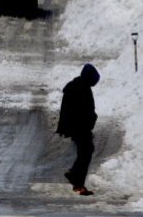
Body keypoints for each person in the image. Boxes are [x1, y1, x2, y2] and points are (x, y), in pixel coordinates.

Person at [56, 64, 100, 196]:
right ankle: (78, 184)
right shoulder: (82, 88)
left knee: (85, 152)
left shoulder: (76, 85)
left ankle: (74, 174)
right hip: (79, 126)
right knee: (85, 152)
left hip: (75, 126)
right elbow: (84, 110)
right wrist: (91, 120)